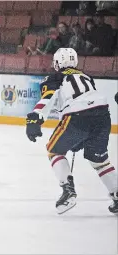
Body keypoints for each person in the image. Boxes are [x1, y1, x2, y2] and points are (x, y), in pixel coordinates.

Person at [25, 48, 117, 215]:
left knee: (54, 150)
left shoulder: (55, 77)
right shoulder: (86, 77)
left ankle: (68, 191)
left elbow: (48, 97)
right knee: (99, 160)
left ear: (58, 63)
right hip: (103, 116)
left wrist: (35, 117)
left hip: (77, 116)